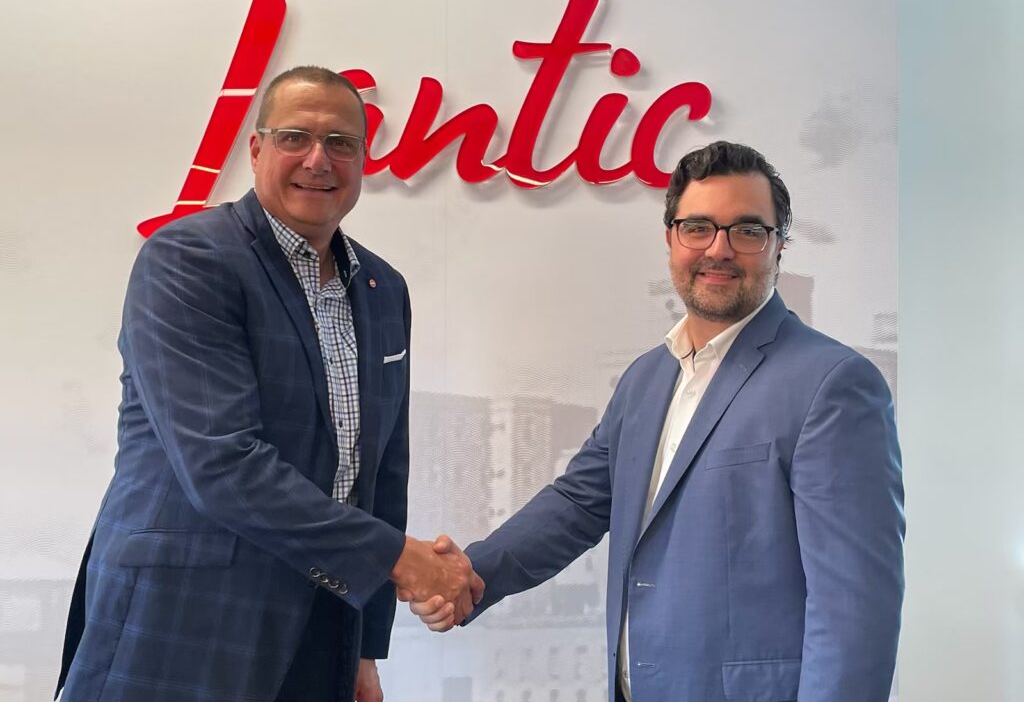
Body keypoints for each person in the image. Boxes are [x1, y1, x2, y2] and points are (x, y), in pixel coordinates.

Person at [409, 142, 905, 702]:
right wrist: (473, 573)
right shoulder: (646, 377)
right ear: (671, 238)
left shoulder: (833, 383)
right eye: (698, 227)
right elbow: (578, 504)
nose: (718, 249)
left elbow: (854, 607)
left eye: (747, 230)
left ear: (779, 245)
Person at [57, 66, 480, 702]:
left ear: (363, 159)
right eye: (295, 137)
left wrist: (364, 646)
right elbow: (221, 462)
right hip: (185, 618)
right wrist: (398, 559)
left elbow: (381, 473)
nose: (318, 159)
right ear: (256, 149)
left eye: (341, 142)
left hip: (324, 618)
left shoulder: (382, 287)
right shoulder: (189, 260)